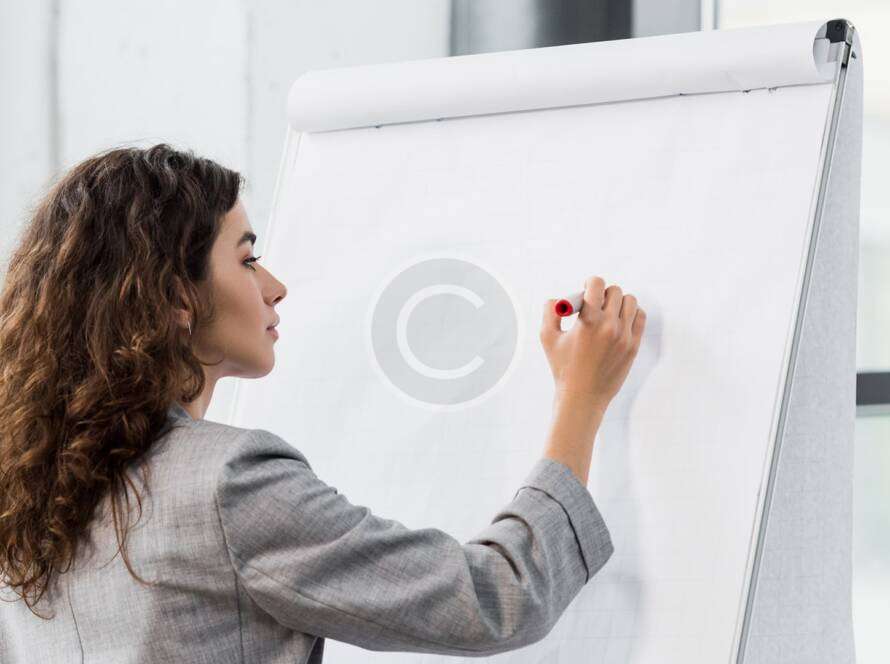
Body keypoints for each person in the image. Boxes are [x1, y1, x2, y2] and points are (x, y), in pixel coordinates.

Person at [0, 144, 646, 663]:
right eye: (247, 260)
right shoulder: (228, 484)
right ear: (176, 298)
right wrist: (581, 398)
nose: (275, 286)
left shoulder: (25, 490)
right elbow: (498, 598)